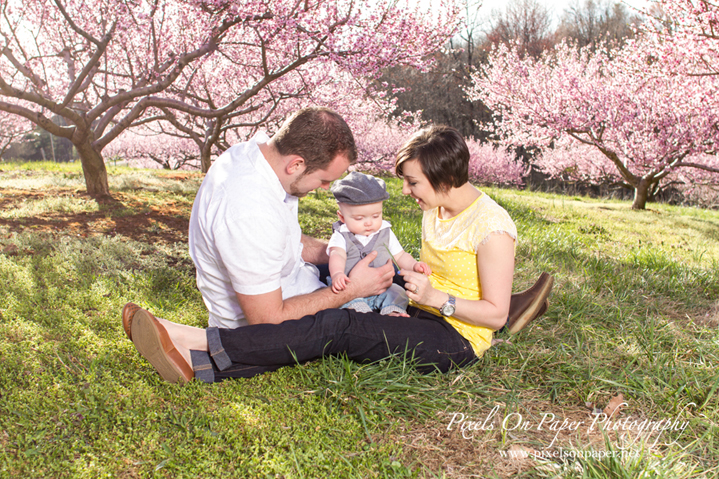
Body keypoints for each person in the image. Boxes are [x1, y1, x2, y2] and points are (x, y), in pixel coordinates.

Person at [124, 124, 553, 384]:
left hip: (453, 338)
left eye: (413, 183)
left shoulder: (492, 229)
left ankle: (196, 345)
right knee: (354, 272)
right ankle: (203, 364)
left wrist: (439, 299)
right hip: (420, 304)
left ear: (445, 178)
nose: (405, 192)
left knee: (342, 326)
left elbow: (490, 317)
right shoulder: (437, 208)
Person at [327, 171, 431, 316]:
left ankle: (392, 311)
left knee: (397, 292)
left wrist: (414, 265)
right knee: (344, 299)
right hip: (351, 289)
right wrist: (337, 274)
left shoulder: (385, 232)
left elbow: (400, 256)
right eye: (359, 218)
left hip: (382, 287)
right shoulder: (341, 235)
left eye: (376, 216)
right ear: (342, 217)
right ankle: (361, 314)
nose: (369, 222)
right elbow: (337, 254)